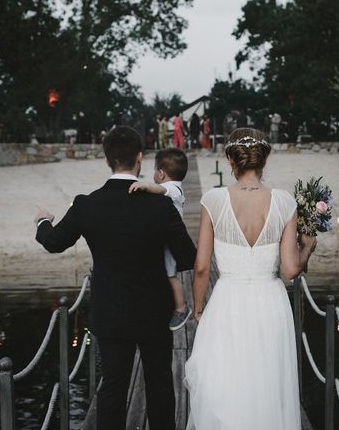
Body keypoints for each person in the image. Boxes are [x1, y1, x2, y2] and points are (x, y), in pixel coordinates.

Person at [34, 126, 197, 430]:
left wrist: (43, 221)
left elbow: (54, 241)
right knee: (160, 384)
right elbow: (188, 256)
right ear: (139, 158)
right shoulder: (159, 204)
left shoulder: (87, 204)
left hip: (110, 312)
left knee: (112, 387)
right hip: (154, 310)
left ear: (108, 161)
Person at [185, 128, 317, 429]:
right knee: (267, 380)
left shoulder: (213, 200)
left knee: (227, 382)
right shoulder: (284, 202)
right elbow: (290, 270)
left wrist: (199, 308)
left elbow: (202, 266)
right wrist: (306, 249)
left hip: (227, 301)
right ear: (263, 161)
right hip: (271, 303)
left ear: (231, 160)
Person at [128, 148, 192, 330]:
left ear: (161, 173)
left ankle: (181, 308)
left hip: (171, 242)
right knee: (165, 273)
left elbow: (161, 189)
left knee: (170, 275)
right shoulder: (176, 187)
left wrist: (145, 186)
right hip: (167, 238)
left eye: (155, 170)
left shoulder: (172, 189)